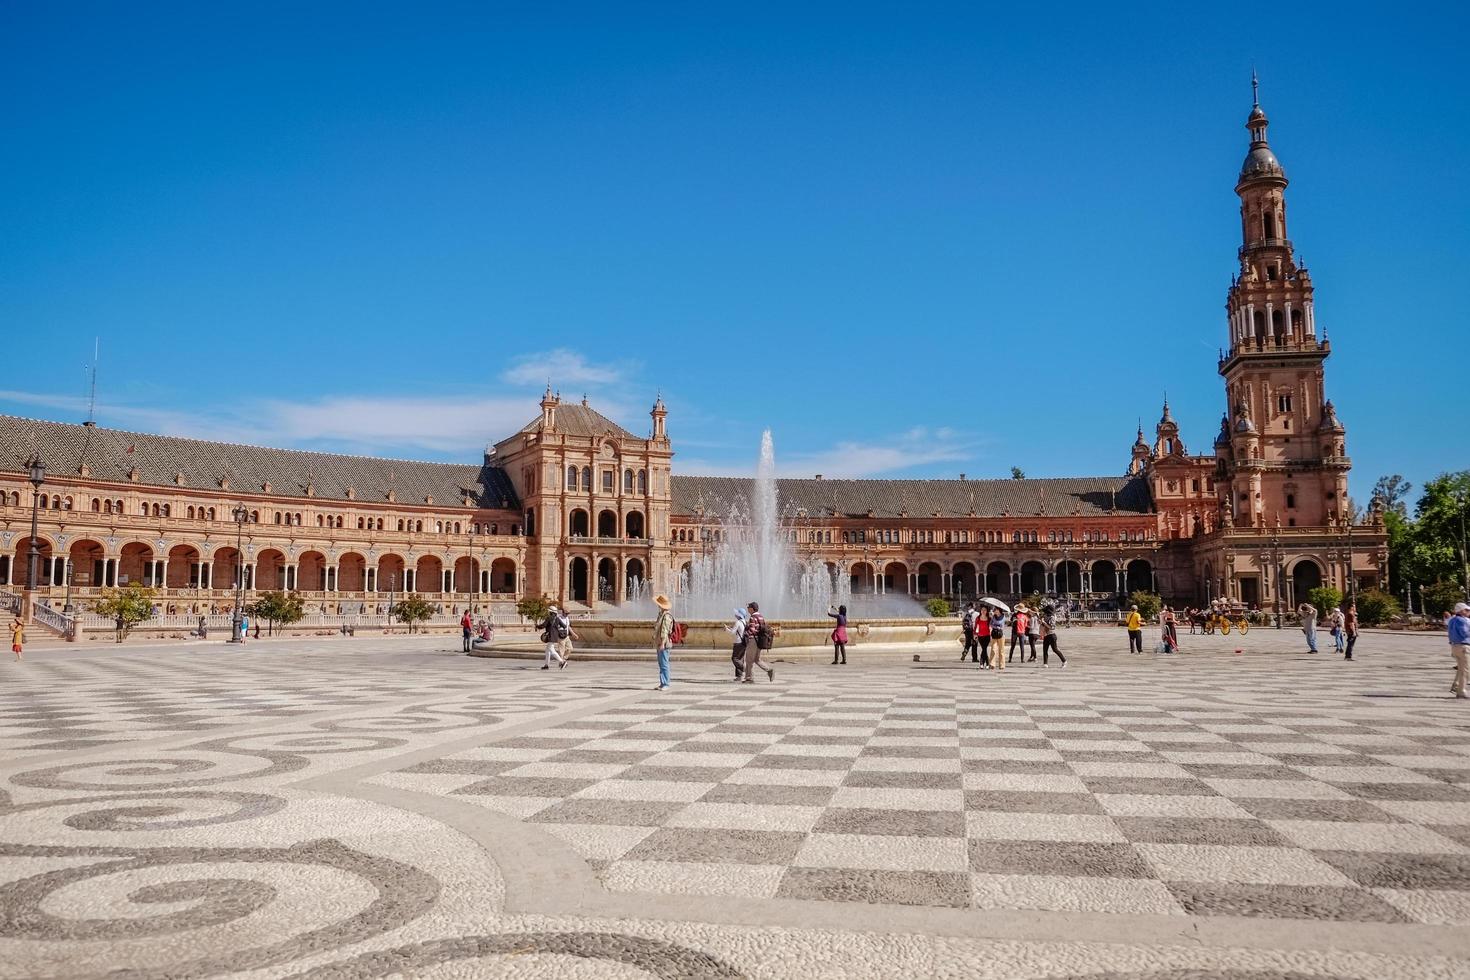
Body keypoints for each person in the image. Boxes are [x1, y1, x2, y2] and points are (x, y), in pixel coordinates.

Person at [742, 601, 775, 683]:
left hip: (753, 640)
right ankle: (769, 670)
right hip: (759, 641)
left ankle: (749, 678)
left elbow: (752, 630)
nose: (747, 609)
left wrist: (745, 633)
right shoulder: (760, 616)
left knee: (749, 660)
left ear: (752, 609)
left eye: (748, 608)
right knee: (757, 659)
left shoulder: (752, 617)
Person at [1448, 603, 1470, 700]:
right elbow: (1465, 633)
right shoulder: (1462, 621)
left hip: (1455, 646)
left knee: (1461, 669)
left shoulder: (1452, 620)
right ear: (1461, 611)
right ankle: (1461, 691)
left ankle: (1456, 686)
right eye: (1467, 610)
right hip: (1464, 646)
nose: (1469, 612)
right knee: (1466, 670)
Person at [653, 594, 674, 691]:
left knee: (664, 663)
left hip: (664, 643)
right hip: (660, 642)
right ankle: (662, 683)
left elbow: (664, 631)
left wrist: (662, 643)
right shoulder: (661, 614)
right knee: (661, 663)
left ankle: (666, 683)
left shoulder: (667, 616)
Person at [541, 604, 569, 670]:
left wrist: (537, 626)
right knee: (547, 650)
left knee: (552, 651)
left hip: (550, 636)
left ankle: (562, 662)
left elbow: (543, 625)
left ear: (551, 612)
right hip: (555, 636)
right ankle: (546, 665)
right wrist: (556, 629)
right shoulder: (557, 619)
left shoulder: (549, 618)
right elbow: (564, 626)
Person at [726, 607, 747, 681]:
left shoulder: (738, 622)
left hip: (738, 642)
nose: (735, 615)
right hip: (744, 642)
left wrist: (726, 629)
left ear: (739, 615)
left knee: (734, 658)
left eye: (737, 614)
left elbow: (732, 633)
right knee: (740, 659)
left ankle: (745, 669)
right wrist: (730, 628)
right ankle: (739, 676)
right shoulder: (744, 622)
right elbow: (738, 631)